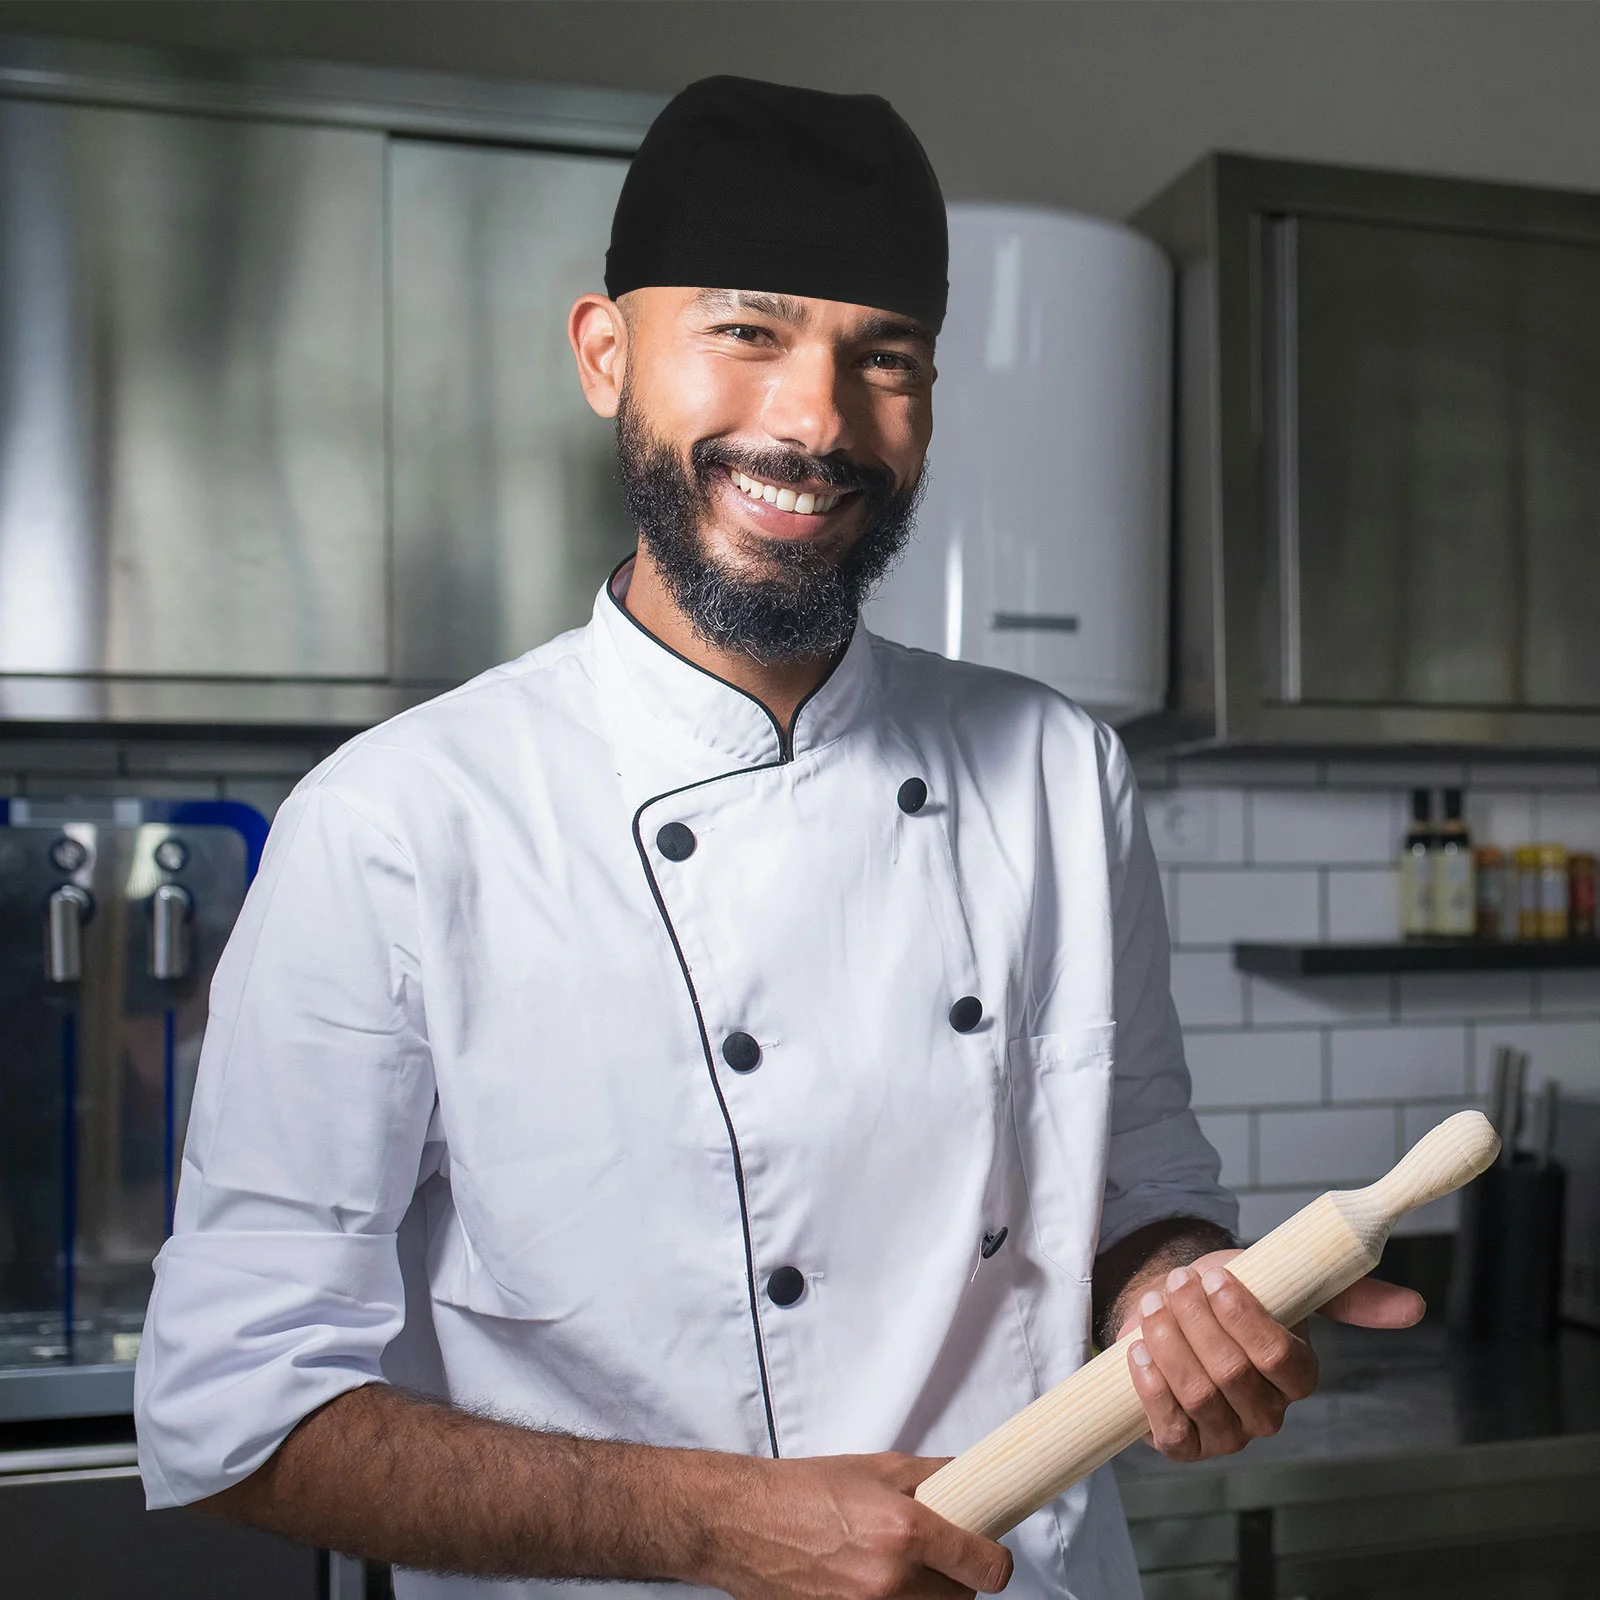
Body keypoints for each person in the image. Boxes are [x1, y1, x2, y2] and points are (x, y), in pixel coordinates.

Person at [134, 75, 1421, 1600]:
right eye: (747, 332)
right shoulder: (398, 823)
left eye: (885, 358)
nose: (816, 422)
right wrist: (721, 1523)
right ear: (607, 356)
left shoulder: (1061, 772)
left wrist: (1176, 1293)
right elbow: (235, 1413)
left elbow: (1133, 1188)